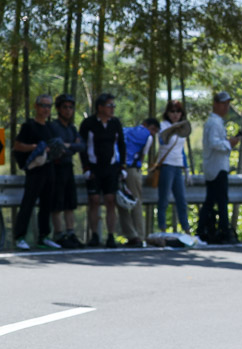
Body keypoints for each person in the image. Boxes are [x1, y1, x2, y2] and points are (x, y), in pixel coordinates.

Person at [12, 95, 60, 250]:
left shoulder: (50, 127)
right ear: (36, 106)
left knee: (47, 204)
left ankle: (44, 236)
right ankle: (20, 236)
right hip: (34, 170)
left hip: (49, 167)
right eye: (43, 105)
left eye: (49, 106)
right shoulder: (29, 126)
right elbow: (17, 146)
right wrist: (34, 147)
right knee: (29, 202)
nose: (46, 109)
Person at [79, 93, 126, 248]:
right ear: (100, 107)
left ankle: (111, 235)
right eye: (109, 105)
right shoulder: (88, 123)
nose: (112, 109)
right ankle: (94, 235)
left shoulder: (115, 123)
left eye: (113, 106)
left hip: (111, 168)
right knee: (94, 201)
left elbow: (121, 145)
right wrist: (85, 167)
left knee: (110, 201)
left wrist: (122, 166)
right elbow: (82, 147)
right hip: (93, 168)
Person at [197, 91, 241, 244]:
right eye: (223, 104)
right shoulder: (214, 122)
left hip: (216, 166)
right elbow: (213, 143)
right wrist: (230, 143)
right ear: (215, 104)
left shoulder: (215, 121)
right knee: (221, 200)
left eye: (227, 104)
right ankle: (223, 232)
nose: (226, 107)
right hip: (217, 168)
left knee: (211, 200)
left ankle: (203, 230)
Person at [48, 94, 86, 249]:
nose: (68, 110)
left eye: (71, 107)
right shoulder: (53, 127)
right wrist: (69, 146)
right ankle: (58, 234)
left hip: (68, 166)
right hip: (55, 167)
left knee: (70, 202)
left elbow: (81, 146)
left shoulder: (72, 128)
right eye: (65, 107)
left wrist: (68, 146)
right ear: (58, 109)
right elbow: (56, 147)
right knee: (57, 202)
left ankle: (70, 233)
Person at [119, 117, 160, 246]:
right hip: (132, 170)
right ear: (149, 127)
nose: (153, 133)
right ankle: (140, 236)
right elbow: (142, 156)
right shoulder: (148, 137)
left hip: (119, 168)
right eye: (153, 130)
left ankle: (131, 235)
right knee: (136, 201)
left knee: (122, 202)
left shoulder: (126, 130)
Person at [157, 100, 192, 235]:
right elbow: (161, 141)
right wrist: (171, 130)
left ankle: (186, 228)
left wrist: (187, 169)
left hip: (178, 166)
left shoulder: (182, 127)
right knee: (164, 199)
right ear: (167, 113)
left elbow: (181, 150)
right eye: (172, 111)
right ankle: (163, 228)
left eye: (178, 111)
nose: (175, 114)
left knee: (181, 200)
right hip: (167, 165)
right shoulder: (163, 125)